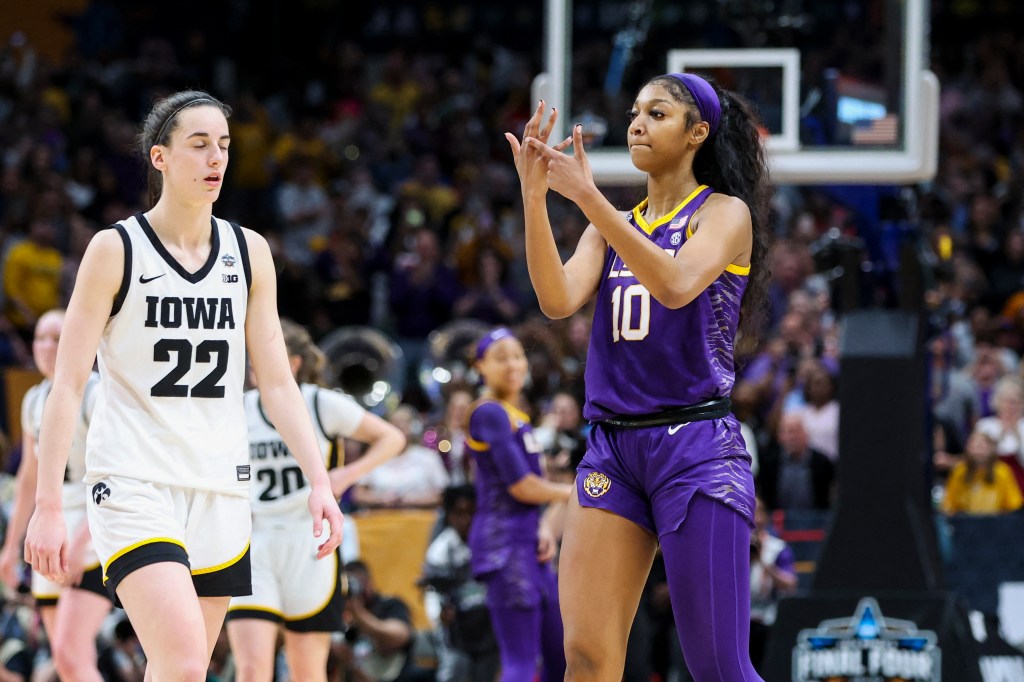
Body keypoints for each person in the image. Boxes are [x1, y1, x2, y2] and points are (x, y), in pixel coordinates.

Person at [22, 90, 344, 681]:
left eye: (223, 145)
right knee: (183, 660)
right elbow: (67, 385)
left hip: (221, 487)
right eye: (198, 145)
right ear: (159, 157)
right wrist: (46, 507)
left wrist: (318, 478)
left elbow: (276, 383)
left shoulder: (249, 253)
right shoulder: (114, 249)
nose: (215, 158)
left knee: (184, 671)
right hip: (134, 481)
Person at [507, 71, 771, 680]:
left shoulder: (725, 214)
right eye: (634, 112)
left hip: (696, 447)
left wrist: (591, 199)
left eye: (657, 114)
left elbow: (677, 284)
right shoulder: (611, 224)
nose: (636, 124)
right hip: (613, 449)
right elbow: (555, 298)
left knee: (718, 667)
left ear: (697, 133)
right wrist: (535, 197)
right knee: (587, 658)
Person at [226, 318, 406, 682]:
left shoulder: (320, 403)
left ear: (291, 363)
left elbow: (392, 438)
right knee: (249, 670)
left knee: (306, 671)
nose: (249, 367)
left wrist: (345, 475)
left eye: (257, 357)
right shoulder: (237, 405)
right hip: (253, 540)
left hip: (310, 540)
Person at [0, 309, 111, 682]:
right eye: (41, 338)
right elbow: (29, 477)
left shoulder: (98, 394)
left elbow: (118, 477)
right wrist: (11, 546)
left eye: (57, 337)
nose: (47, 346)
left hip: (94, 531)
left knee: (70, 652)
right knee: (69, 661)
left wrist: (86, 542)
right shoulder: (33, 398)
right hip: (52, 532)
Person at [466, 327, 572, 682]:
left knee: (561, 657)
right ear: (481, 367)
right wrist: (574, 493)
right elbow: (522, 487)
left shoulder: (518, 417)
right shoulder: (489, 413)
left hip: (529, 543)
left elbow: (536, 487)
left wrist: (543, 525)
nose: (512, 364)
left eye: (516, 355)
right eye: (500, 357)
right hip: (504, 545)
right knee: (521, 663)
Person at [941, 428, 1023, 515]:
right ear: (967, 448)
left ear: (991, 449)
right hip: (965, 523)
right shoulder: (959, 471)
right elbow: (948, 506)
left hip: (996, 523)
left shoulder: (1002, 471)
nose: (978, 452)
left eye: (982, 446)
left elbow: (1015, 506)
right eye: (974, 447)